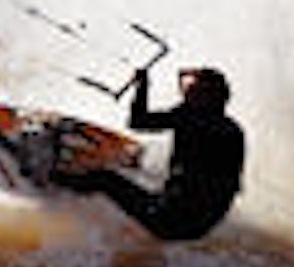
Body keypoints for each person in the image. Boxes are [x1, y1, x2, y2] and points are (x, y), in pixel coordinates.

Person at [56, 66, 245, 241]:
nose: (186, 93)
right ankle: (138, 173)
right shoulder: (234, 131)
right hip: (203, 227)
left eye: (192, 89)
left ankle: (54, 179)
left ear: (203, 97)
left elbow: (137, 121)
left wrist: (142, 86)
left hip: (167, 220)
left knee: (104, 179)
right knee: (171, 176)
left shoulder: (189, 116)